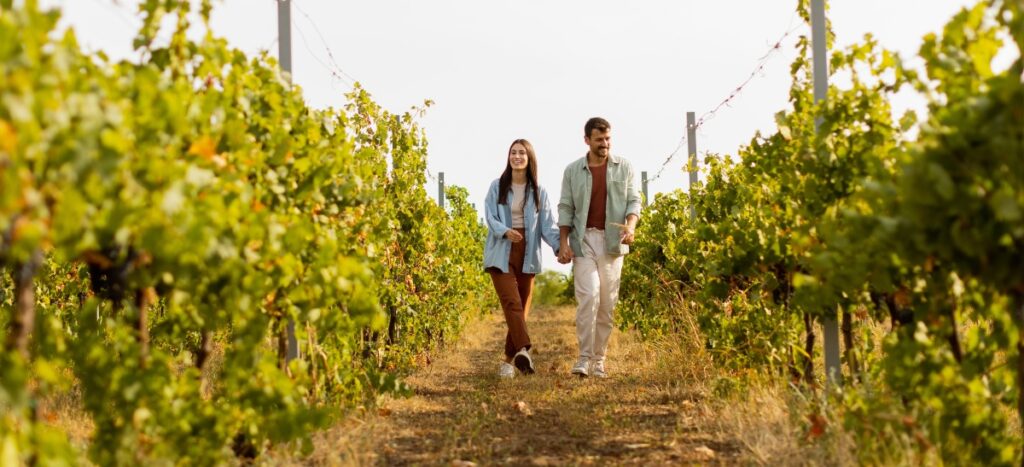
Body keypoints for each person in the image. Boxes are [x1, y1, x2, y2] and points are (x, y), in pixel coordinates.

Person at [557, 117, 641, 378]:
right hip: (583, 241)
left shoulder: (624, 167)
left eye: (607, 139)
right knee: (588, 297)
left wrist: (631, 226)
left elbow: (633, 201)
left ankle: (599, 361)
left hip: (612, 241)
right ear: (587, 140)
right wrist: (563, 244)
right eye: (599, 140)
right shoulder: (572, 171)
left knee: (607, 304)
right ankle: (583, 358)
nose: (605, 144)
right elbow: (566, 208)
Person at [484, 139, 562, 378]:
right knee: (512, 303)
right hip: (501, 249)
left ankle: (509, 362)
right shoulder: (497, 186)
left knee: (521, 309)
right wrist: (505, 231)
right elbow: (490, 215)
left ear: (529, 158)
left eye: (521, 153)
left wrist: (561, 248)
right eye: (513, 152)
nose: (516, 156)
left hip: (528, 252)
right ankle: (525, 349)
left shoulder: (540, 191)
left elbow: (548, 226)